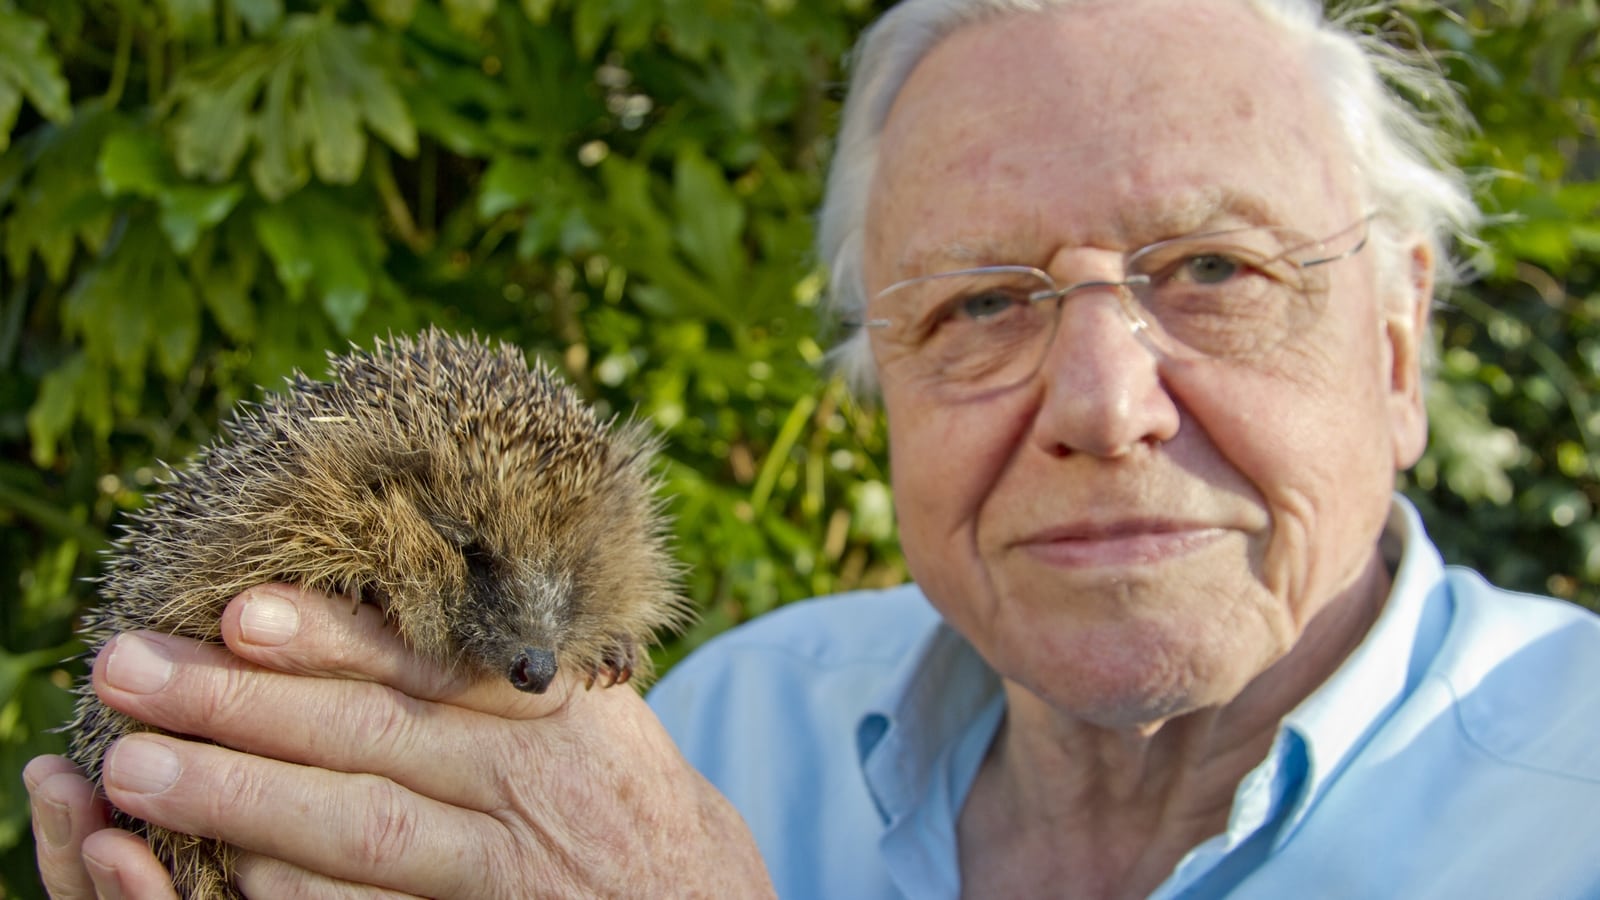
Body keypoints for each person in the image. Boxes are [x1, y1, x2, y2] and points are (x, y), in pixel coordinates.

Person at [27, 0, 1600, 897]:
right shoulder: (724, 722)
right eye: (983, 301)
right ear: (879, 380)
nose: (1103, 403)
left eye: (1214, 271)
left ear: (1401, 345)